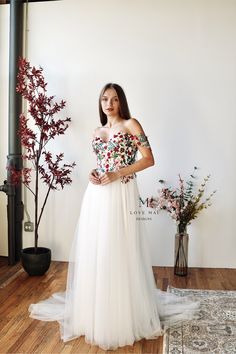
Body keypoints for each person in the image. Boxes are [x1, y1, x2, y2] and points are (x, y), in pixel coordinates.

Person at [29, 83, 199, 351]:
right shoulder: (96, 131)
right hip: (97, 195)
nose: (109, 103)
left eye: (114, 99)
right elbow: (100, 164)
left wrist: (118, 173)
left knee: (118, 248)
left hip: (121, 191)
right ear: (100, 103)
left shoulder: (132, 125)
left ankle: (122, 315)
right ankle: (95, 314)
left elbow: (149, 159)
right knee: (97, 249)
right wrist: (93, 174)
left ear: (121, 103)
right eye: (104, 99)